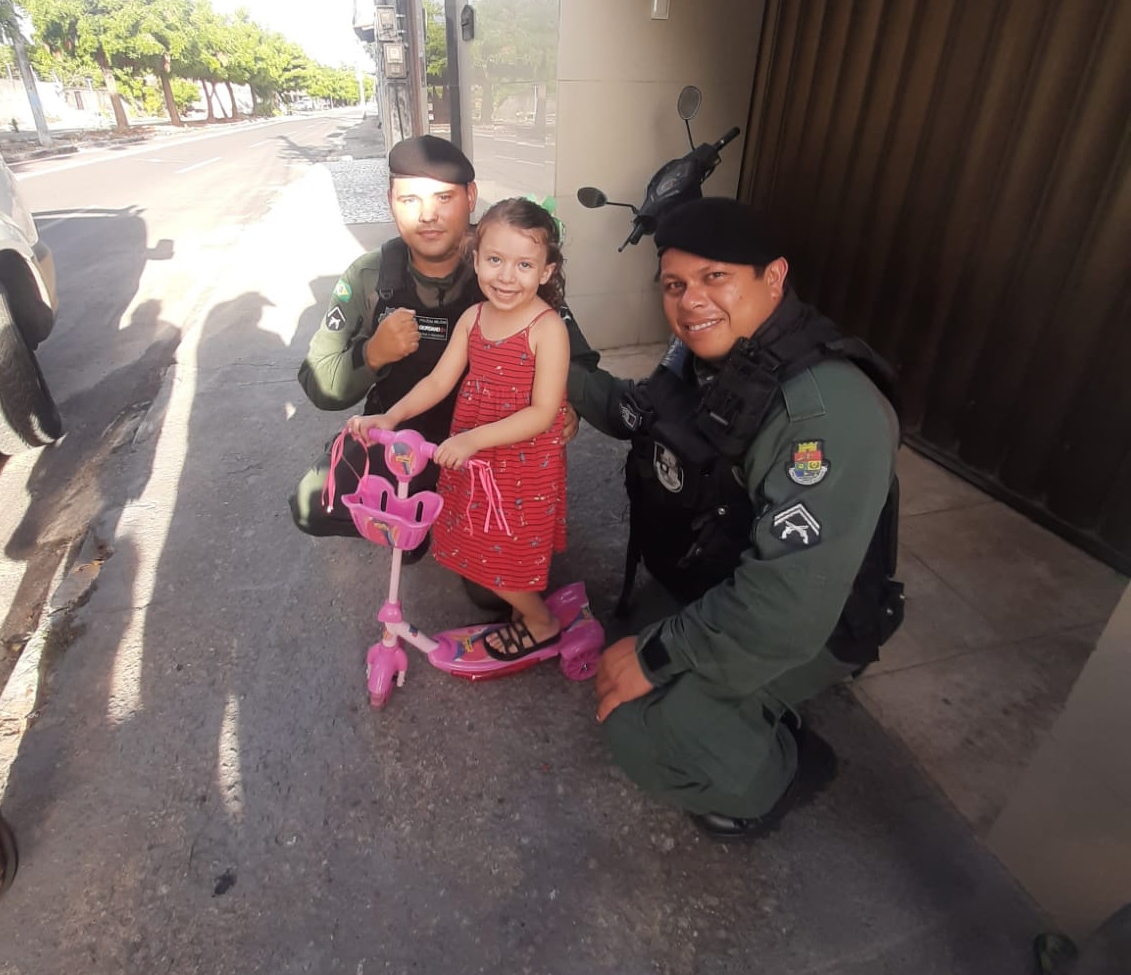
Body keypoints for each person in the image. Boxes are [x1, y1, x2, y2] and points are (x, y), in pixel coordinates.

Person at [574, 197, 904, 840]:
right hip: (729, 578)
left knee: (638, 725)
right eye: (675, 285)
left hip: (815, 620)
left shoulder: (824, 413)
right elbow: (633, 413)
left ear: (773, 277)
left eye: (714, 276)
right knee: (632, 646)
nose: (690, 300)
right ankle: (733, 705)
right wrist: (546, 340)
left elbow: (786, 608)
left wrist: (657, 654)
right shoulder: (708, 359)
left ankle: (781, 775)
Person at [289, 135, 598, 601]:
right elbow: (319, 382)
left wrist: (567, 405)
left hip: (490, 440)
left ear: (470, 199)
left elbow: (576, 359)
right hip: (408, 432)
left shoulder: (510, 262)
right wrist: (373, 353)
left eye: (444, 198)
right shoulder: (371, 275)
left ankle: (434, 518)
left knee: (493, 595)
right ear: (390, 202)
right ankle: (408, 517)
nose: (427, 215)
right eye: (409, 198)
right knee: (314, 505)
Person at [348, 198, 569, 657]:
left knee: (505, 549)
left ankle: (541, 621)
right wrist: (390, 417)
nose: (506, 276)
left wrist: (470, 439)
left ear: (546, 272)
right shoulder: (472, 319)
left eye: (524, 264)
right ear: (476, 260)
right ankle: (524, 608)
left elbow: (543, 413)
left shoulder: (547, 329)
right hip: (473, 459)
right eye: (494, 260)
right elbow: (438, 381)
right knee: (478, 540)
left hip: (520, 464)